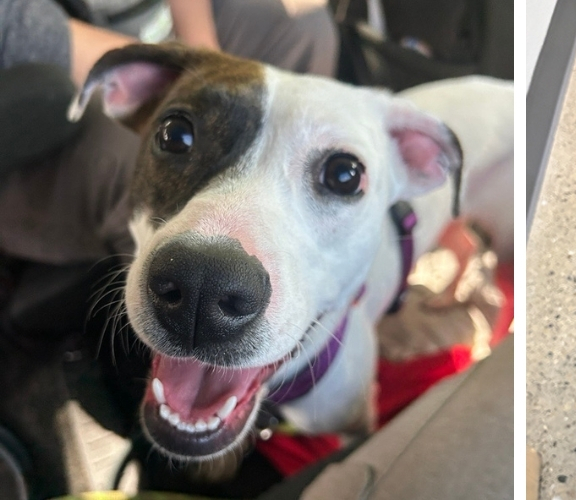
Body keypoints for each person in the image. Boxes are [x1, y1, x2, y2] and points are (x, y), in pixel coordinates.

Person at [0, 1, 340, 497]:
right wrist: (182, 78)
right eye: (178, 136)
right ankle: (193, 413)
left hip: (130, 21)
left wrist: (201, 52)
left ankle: (271, 322)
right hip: (29, 67)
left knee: (304, 32)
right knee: (129, 170)